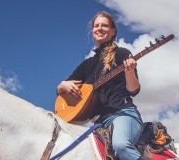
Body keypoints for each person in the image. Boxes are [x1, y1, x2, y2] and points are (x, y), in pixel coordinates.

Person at [57, 11, 143, 160]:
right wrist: (62, 85)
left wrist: (129, 73)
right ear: (93, 31)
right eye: (96, 26)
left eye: (104, 25)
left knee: (121, 146)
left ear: (113, 31)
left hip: (123, 113)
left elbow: (134, 90)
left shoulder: (122, 54)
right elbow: (62, 88)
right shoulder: (87, 64)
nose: (99, 28)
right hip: (99, 121)